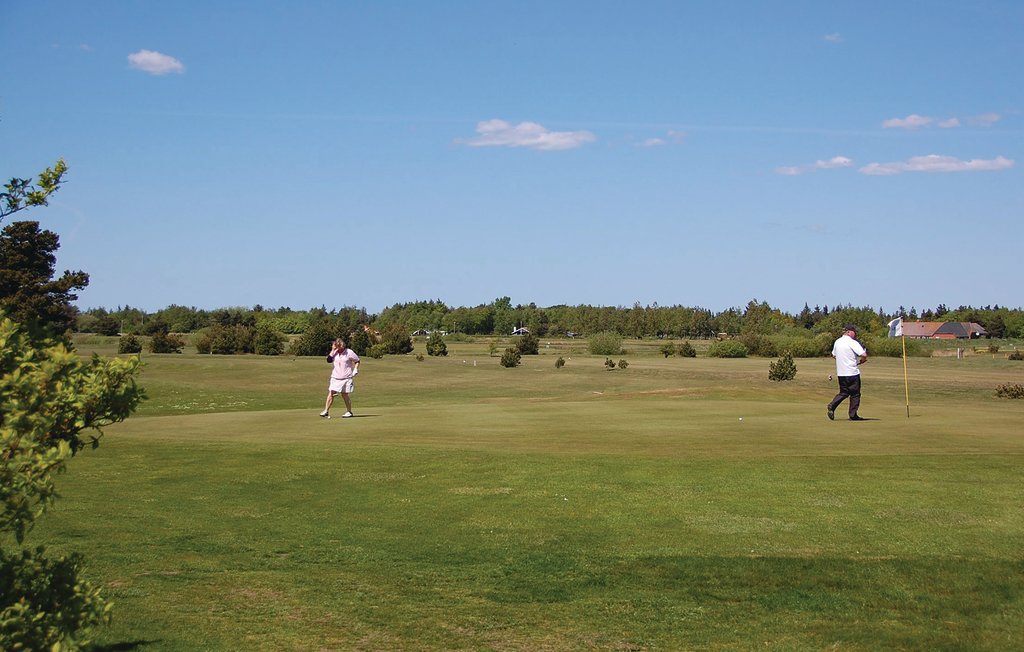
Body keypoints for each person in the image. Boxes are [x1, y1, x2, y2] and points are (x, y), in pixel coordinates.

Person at [827, 324, 868, 421]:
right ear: (849, 332)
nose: (855, 334)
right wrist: (862, 360)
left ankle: (832, 405)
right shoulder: (852, 342)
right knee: (855, 394)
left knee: (844, 392)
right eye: (854, 332)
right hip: (852, 372)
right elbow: (864, 354)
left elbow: (834, 355)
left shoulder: (837, 342)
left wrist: (842, 360)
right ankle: (853, 415)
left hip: (841, 373)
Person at [320, 338, 360, 419]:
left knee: (344, 394)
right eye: (336, 347)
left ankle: (349, 411)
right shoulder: (334, 352)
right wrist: (332, 350)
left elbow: (357, 361)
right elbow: (329, 360)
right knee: (331, 392)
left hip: (346, 377)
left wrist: (355, 369)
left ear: (342, 346)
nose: (338, 349)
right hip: (335, 376)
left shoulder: (349, 352)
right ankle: (326, 411)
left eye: (339, 347)